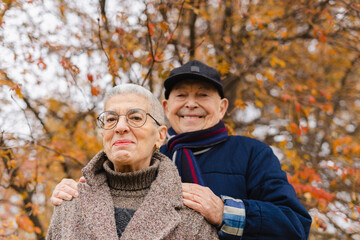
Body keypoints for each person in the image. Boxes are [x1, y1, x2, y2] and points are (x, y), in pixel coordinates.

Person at [51, 60, 312, 239]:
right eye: (181, 96)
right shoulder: (147, 156)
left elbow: (296, 226)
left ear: (221, 107)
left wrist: (226, 213)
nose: (190, 104)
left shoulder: (251, 153)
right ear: (165, 108)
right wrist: (73, 192)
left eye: (202, 95)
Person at [46, 84, 219, 239]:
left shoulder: (191, 212)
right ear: (103, 135)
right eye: (111, 119)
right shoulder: (69, 204)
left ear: (160, 135)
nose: (120, 127)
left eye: (135, 118)